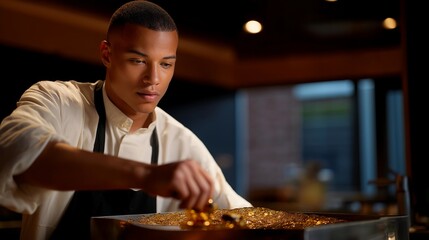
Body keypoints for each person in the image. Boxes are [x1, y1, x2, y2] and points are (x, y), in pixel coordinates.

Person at [0, 1, 252, 239]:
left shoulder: (181, 142)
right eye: (138, 61)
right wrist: (145, 175)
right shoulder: (57, 101)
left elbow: (244, 219)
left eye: (165, 64)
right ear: (107, 54)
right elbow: (19, 150)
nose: (153, 78)